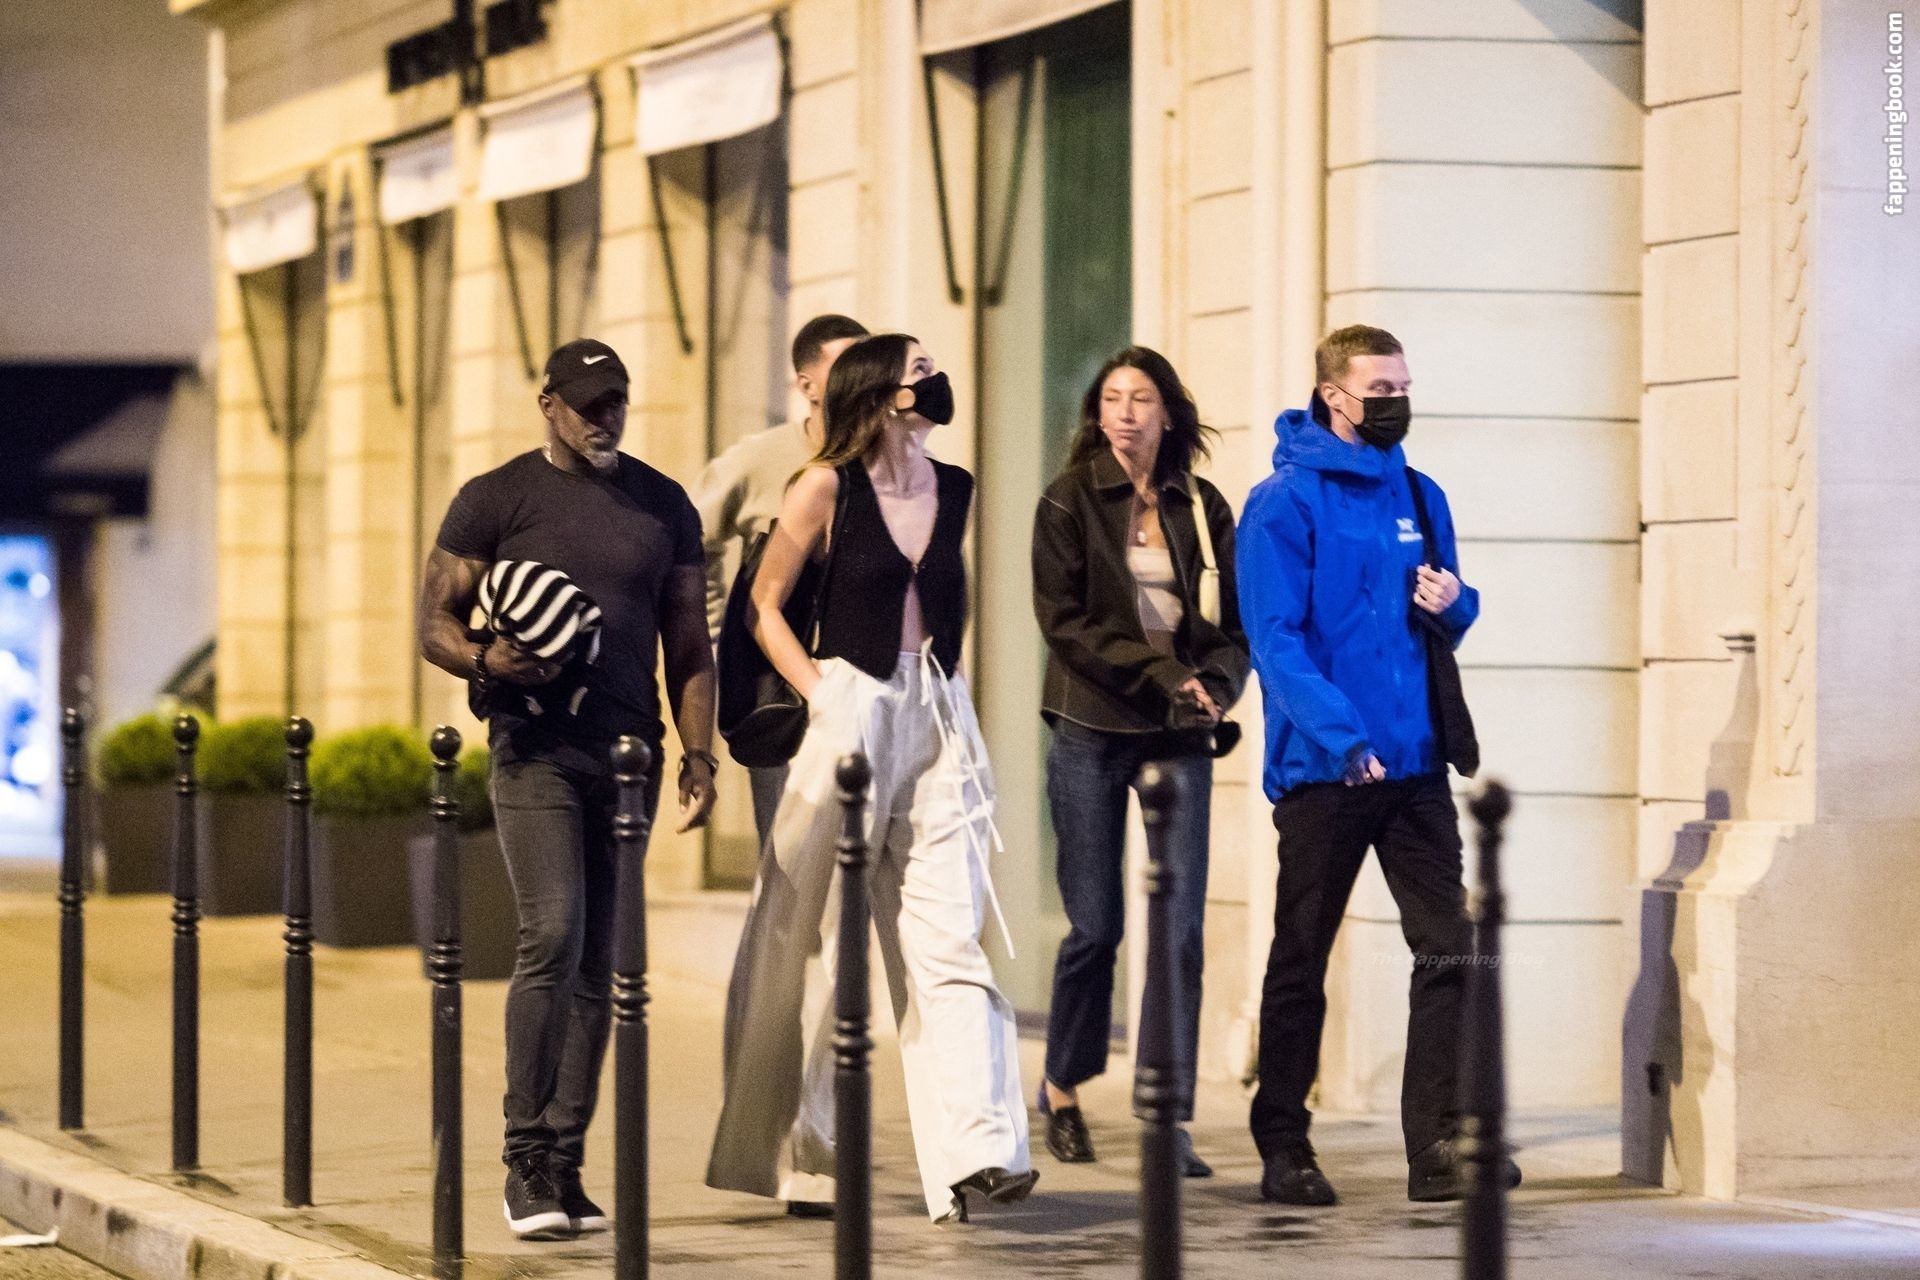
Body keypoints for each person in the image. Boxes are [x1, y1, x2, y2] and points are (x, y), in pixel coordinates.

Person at [706, 333, 1034, 1225]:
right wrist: (821, 695)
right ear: (885, 394)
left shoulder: (955, 487)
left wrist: (944, 693)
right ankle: (804, 1158)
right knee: (813, 936)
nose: (936, 379)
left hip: (940, 712)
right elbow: (763, 605)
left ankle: (980, 1152)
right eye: (920, 370)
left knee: (950, 935)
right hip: (850, 703)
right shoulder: (824, 486)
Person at [418, 338, 718, 1239]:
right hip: (534, 748)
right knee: (553, 933)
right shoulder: (495, 498)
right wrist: (486, 660)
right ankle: (524, 1158)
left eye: (617, 400)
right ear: (548, 404)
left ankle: (562, 1162)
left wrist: (699, 755)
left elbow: (689, 643)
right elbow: (434, 621)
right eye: (589, 403)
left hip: (629, 755)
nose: (606, 417)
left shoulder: (664, 505)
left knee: (603, 963)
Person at [1237, 324, 1517, 1206]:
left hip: (1416, 766)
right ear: (1334, 396)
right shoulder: (1282, 504)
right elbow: (1275, 641)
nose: (1396, 402)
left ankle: (1436, 1142)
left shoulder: (1422, 495)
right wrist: (1342, 738)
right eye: (1380, 389)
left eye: (1403, 386)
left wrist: (1457, 603)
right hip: (1326, 771)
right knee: (1302, 958)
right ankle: (1284, 1144)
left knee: (1453, 949)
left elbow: (1446, 615)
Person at [1029, 346, 1249, 1177]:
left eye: (1141, 398)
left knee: (1180, 930)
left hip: (1179, 732)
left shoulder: (1202, 505)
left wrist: (1217, 685)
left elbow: (1235, 625)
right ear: (1098, 412)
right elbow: (1065, 624)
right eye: (1113, 398)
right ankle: (1062, 1088)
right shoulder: (1068, 500)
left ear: (1167, 412)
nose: (1125, 412)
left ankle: (1167, 1114)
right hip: (1091, 723)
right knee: (1097, 926)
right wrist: (1163, 673)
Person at [692, 314, 869, 845]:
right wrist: (718, 630)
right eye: (846, 364)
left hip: (864, 694)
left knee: (863, 863)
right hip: (780, 696)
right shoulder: (761, 457)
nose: (861, 376)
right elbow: (687, 539)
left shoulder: (886, 462)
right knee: (788, 860)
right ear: (807, 385)